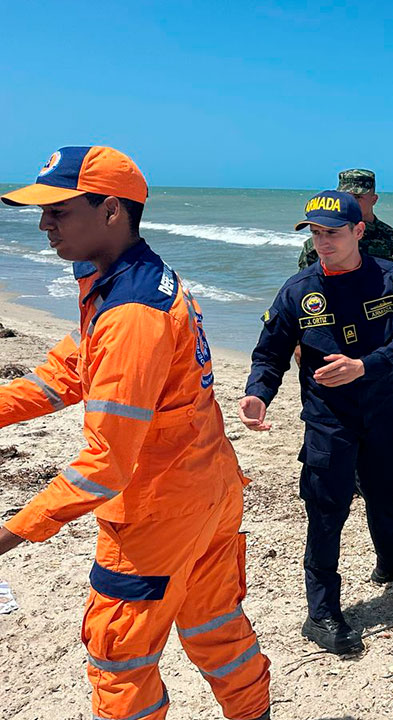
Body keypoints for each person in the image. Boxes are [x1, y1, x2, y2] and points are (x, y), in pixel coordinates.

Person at [0, 146, 270, 719]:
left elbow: (106, 463)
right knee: (215, 622)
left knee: (119, 652)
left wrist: (11, 533)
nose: (44, 223)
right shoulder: (124, 279)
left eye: (59, 210)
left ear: (112, 211)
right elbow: (67, 374)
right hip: (208, 486)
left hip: (158, 508)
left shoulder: (130, 311)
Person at [242, 190, 393, 655]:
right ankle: (322, 611)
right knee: (327, 508)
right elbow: (270, 353)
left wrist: (363, 366)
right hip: (329, 418)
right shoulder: (298, 289)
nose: (322, 241)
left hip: (384, 407)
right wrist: (257, 393)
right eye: (314, 232)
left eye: (331, 232)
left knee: (387, 488)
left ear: (358, 232)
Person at [299, 168, 393, 274]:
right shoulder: (319, 243)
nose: (351, 201)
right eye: (346, 196)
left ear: (374, 199)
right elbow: (305, 287)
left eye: (358, 197)